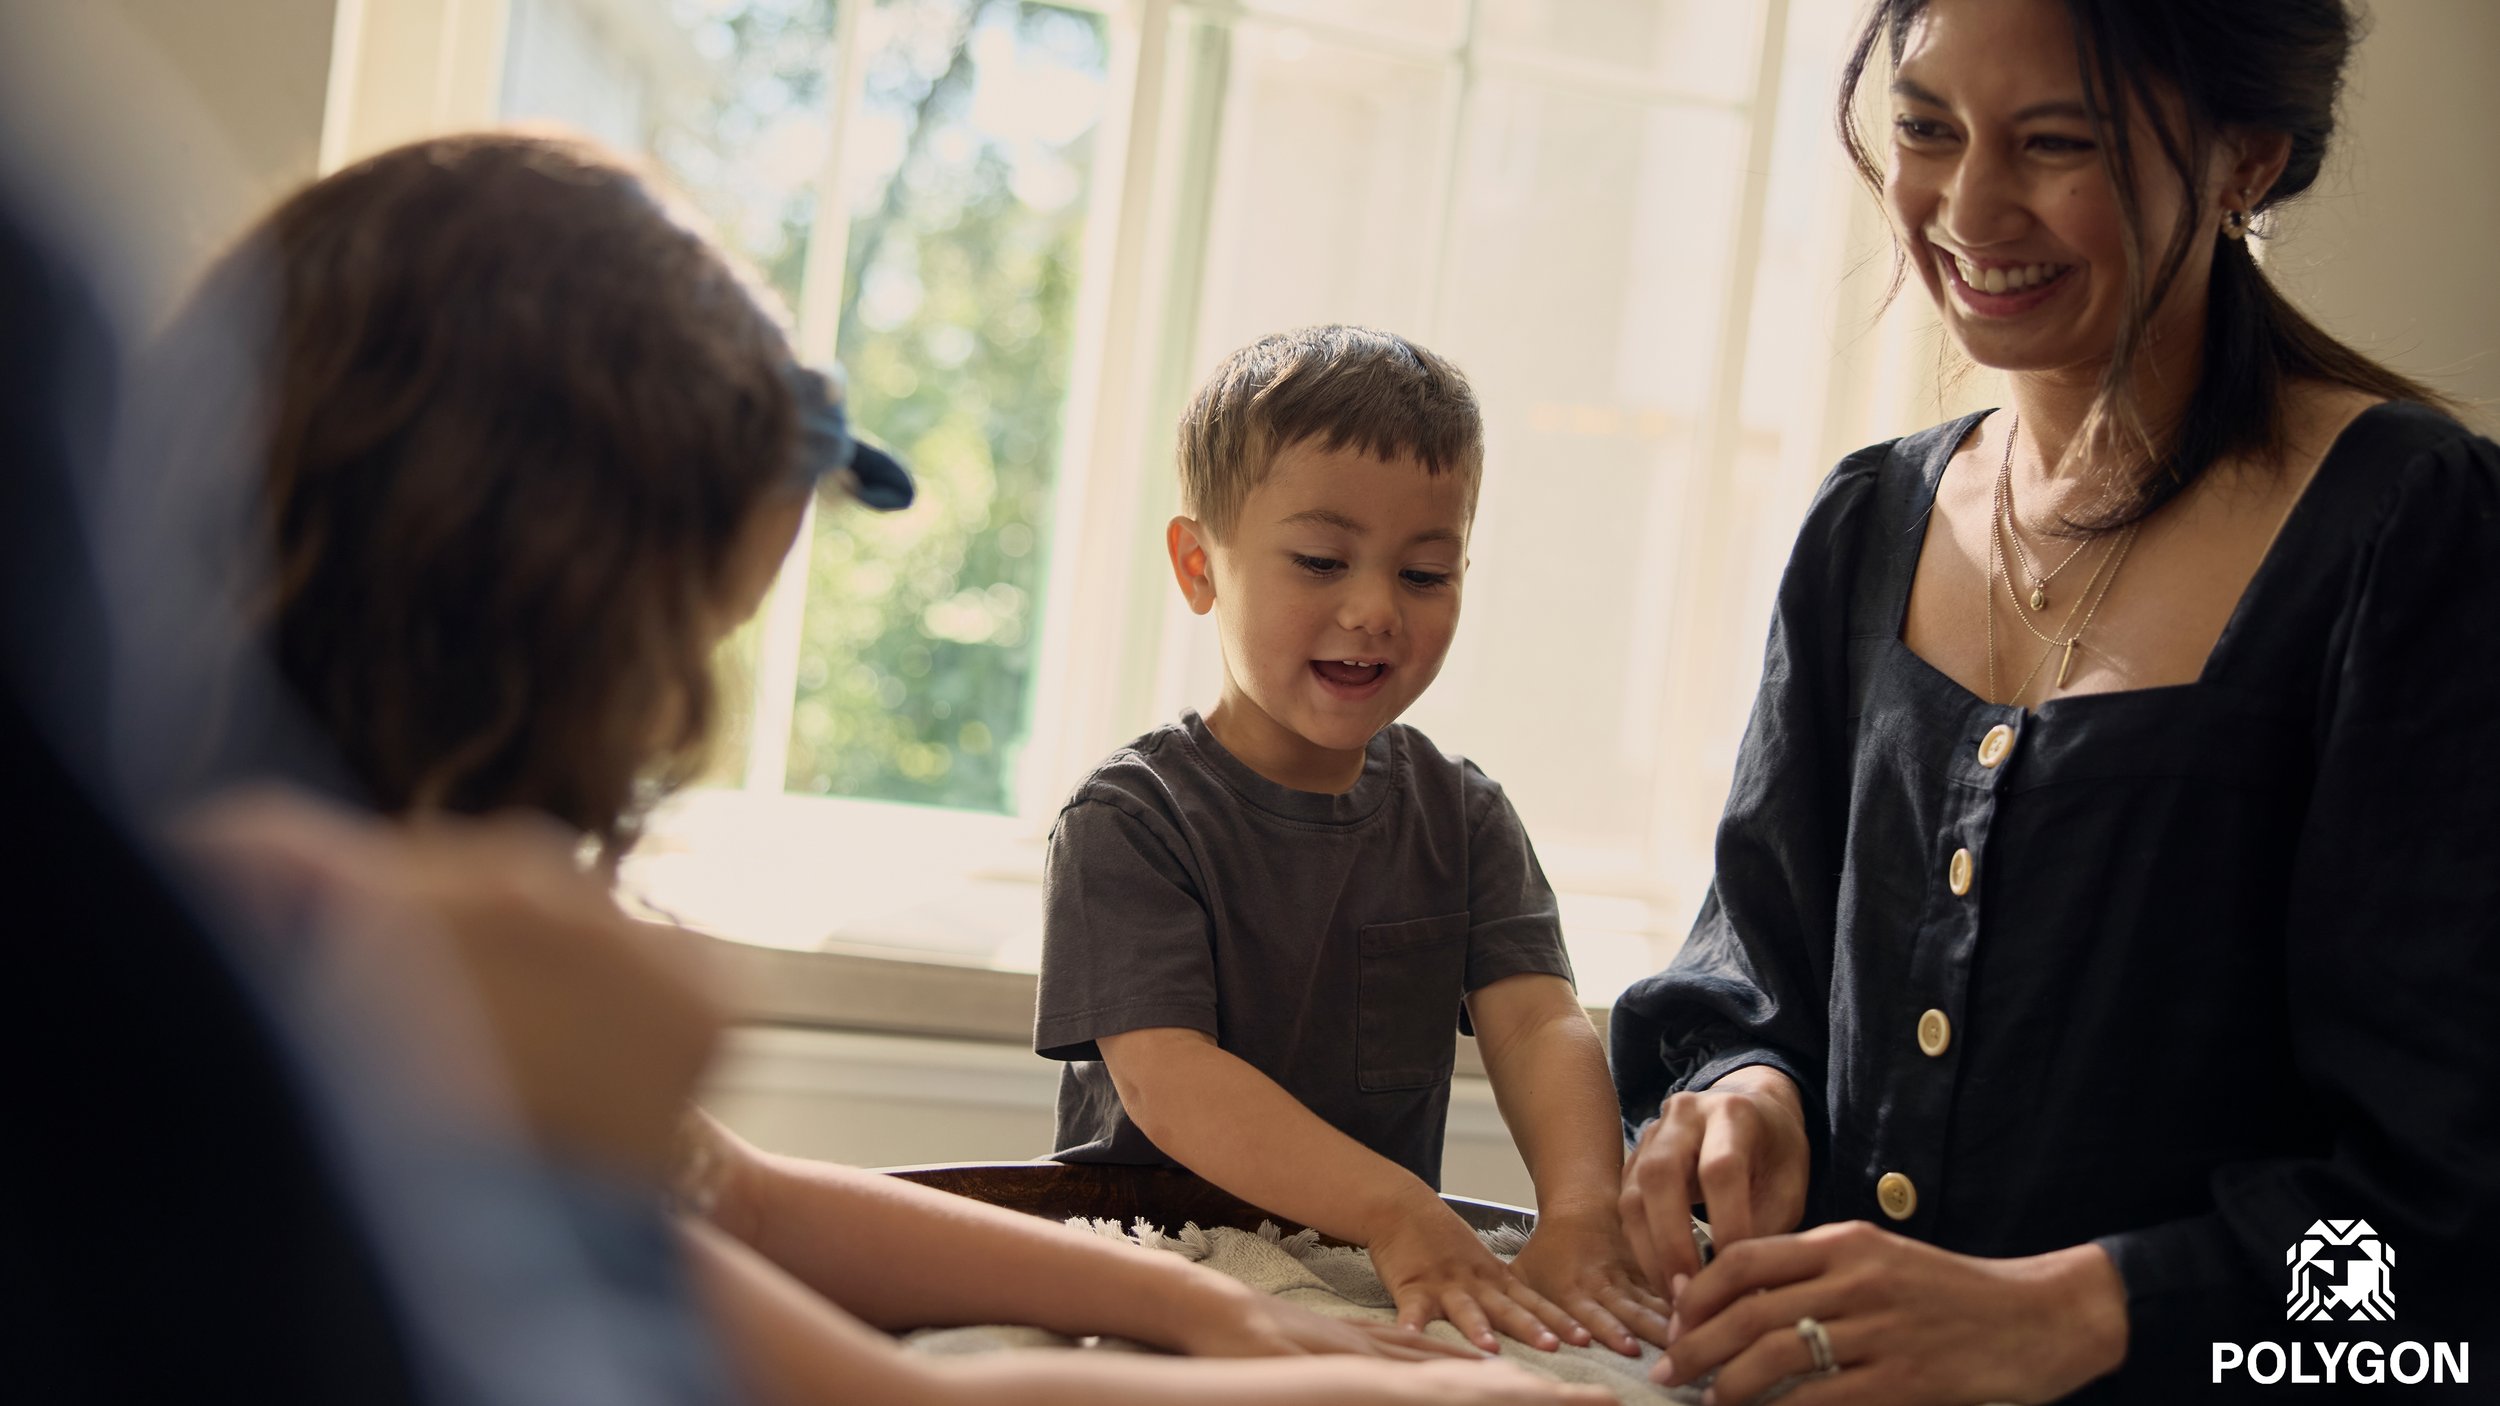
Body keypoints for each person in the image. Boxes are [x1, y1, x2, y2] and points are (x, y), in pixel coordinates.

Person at [183, 130, 1610, 1406]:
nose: (663, 728)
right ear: (500, 611)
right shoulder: (287, 944)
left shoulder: (337, 885)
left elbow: (734, 1200)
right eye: (670, 655)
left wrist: (1202, 1309)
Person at [1607, 1, 2500, 1402]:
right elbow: (1751, 975)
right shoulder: (1868, 523)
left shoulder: (2411, 533)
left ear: (2245, 159)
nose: (1968, 210)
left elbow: (2448, 1216)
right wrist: (1746, 1095)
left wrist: (2077, 1313)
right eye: (1926, 128)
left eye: (2055, 142)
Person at [1033, 325, 1674, 1360]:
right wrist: (1393, 1206)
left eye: (1424, 573)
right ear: (1199, 565)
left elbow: (1536, 1026)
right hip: (1165, 1265)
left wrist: (1581, 1215)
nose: (1374, 608)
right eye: (1321, 561)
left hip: (1370, 1277)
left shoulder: (1463, 817)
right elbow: (1166, 1077)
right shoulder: (1130, 821)